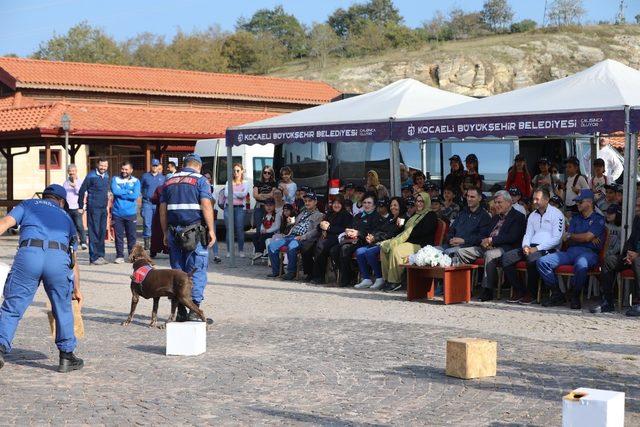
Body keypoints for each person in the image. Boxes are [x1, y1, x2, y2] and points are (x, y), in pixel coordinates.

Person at [0, 184, 83, 372]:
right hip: (59, 258)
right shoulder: (67, 218)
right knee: (62, 306)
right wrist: (77, 289)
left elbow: (4, 223)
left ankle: (0, 346)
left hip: (29, 255)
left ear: (44, 196)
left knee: (14, 304)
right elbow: (74, 259)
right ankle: (67, 356)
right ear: (61, 201)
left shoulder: (28, 204)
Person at [159, 153, 215, 322]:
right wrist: (211, 230)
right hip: (194, 233)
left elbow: (162, 210)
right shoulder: (200, 180)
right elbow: (206, 205)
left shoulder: (168, 181)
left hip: (174, 232)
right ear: (198, 166)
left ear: (184, 165)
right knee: (196, 269)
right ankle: (194, 310)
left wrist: (164, 233)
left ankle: (180, 310)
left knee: (177, 272)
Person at [537, 189, 605, 310]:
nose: (577, 204)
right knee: (542, 262)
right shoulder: (575, 218)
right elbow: (566, 238)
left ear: (589, 203)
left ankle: (575, 295)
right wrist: (584, 237)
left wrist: (577, 236)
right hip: (571, 251)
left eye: (580, 202)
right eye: (577, 202)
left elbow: (585, 237)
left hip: (589, 253)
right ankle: (557, 294)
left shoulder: (598, 219)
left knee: (581, 264)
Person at [455, 191, 526, 302]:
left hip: (505, 248)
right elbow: (485, 233)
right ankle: (463, 287)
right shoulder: (495, 217)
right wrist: (483, 241)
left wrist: (492, 240)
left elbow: (513, 237)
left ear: (509, 203)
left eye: (499, 202)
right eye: (495, 202)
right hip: (487, 246)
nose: (496, 205)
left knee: (490, 255)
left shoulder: (518, 217)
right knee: (461, 252)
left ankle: (487, 290)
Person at [502, 188, 565, 304]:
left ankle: (532, 294)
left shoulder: (557, 214)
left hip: (548, 249)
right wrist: (525, 246)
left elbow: (557, 239)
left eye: (537, 199)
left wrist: (536, 248)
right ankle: (520, 290)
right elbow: (528, 234)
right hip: (531, 247)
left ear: (546, 200)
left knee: (532, 259)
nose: (534, 201)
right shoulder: (532, 215)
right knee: (506, 258)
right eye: (533, 199)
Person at [380, 192, 437, 291]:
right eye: (417, 201)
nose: (419, 204)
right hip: (409, 242)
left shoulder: (431, 215)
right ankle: (387, 280)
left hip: (421, 245)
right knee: (384, 247)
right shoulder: (415, 215)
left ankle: (395, 281)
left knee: (396, 250)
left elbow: (425, 231)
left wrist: (408, 234)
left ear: (426, 202)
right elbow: (406, 229)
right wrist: (402, 226)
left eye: (421, 201)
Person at [592, 199, 640, 315]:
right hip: (632, 256)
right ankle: (608, 302)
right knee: (609, 261)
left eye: (639, 205)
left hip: (638, 258)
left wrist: (637, 255)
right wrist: (628, 253)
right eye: (637, 204)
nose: (636, 208)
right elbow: (631, 239)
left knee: (638, 262)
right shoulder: (637, 219)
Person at [267, 192, 323, 281]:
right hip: (290, 236)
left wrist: (303, 237)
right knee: (271, 246)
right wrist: (291, 222)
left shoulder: (319, 215)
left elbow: (316, 231)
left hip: (302, 238)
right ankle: (277, 271)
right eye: (306, 201)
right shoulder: (302, 213)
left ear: (315, 202)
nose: (307, 203)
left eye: (310, 201)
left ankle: (291, 272)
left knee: (291, 247)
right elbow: (295, 223)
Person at [331, 192, 383, 287]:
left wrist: (359, 233)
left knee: (344, 249)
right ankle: (350, 273)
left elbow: (374, 233)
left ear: (374, 205)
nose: (366, 205)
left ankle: (347, 278)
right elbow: (350, 227)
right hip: (351, 240)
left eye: (369, 203)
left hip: (364, 242)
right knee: (334, 250)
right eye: (364, 202)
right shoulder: (358, 216)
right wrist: (348, 231)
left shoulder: (376, 217)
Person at [356, 197, 406, 290]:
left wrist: (375, 238)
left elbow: (392, 234)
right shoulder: (390, 217)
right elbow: (380, 229)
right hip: (377, 241)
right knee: (360, 251)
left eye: (395, 205)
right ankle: (366, 278)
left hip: (388, 243)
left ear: (401, 206)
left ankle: (380, 278)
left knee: (369, 252)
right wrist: (372, 236)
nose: (392, 207)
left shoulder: (402, 219)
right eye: (391, 205)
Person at [310, 195, 353, 284]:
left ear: (342, 204)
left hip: (338, 238)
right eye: (334, 203)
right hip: (326, 238)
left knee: (321, 247)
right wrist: (322, 226)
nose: (336, 205)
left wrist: (328, 228)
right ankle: (315, 275)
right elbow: (320, 226)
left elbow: (345, 229)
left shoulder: (346, 215)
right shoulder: (329, 213)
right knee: (313, 246)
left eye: (338, 203)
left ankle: (319, 276)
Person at [440, 188, 492, 257]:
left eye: (472, 197)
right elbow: (451, 230)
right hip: (451, 244)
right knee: (432, 251)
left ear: (479, 198)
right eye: (467, 196)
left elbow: (482, 237)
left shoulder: (484, 216)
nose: (469, 199)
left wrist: (464, 241)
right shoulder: (462, 213)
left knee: (447, 253)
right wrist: (451, 240)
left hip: (468, 247)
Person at [78, 158, 110, 265]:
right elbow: (82, 190)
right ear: (97, 165)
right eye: (101, 165)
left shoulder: (106, 176)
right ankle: (93, 257)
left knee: (101, 232)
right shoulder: (91, 176)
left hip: (103, 208)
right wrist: (80, 206)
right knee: (94, 232)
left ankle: (101, 256)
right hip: (93, 208)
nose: (103, 168)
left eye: (105, 166)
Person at [110, 161, 141, 264]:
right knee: (118, 236)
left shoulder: (136, 181)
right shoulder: (115, 179)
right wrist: (128, 191)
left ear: (131, 170)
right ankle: (119, 256)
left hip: (131, 213)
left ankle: (132, 256)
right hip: (117, 213)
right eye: (123, 169)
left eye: (126, 169)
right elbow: (115, 191)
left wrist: (122, 193)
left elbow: (135, 195)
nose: (124, 171)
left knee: (132, 236)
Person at [219, 163, 251, 258]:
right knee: (229, 230)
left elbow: (244, 194)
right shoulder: (228, 182)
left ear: (242, 171)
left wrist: (233, 193)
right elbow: (226, 194)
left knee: (240, 230)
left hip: (239, 208)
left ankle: (241, 250)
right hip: (228, 208)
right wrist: (238, 194)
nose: (236, 172)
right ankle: (229, 251)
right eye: (234, 170)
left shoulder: (245, 183)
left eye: (238, 170)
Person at [140, 159, 166, 251]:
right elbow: (141, 188)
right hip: (147, 203)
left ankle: (157, 245)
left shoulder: (163, 178)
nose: (155, 167)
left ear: (159, 166)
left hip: (158, 204)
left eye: (156, 165)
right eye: (153, 165)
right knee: (147, 224)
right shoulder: (145, 176)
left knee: (158, 224)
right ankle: (147, 245)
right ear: (150, 166)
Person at [62, 163, 87, 250]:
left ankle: (83, 242)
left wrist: (75, 186)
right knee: (70, 226)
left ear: (76, 171)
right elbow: (64, 194)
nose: (71, 173)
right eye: (70, 171)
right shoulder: (65, 182)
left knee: (79, 225)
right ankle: (72, 242)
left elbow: (83, 193)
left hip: (77, 207)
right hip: (67, 207)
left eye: (73, 171)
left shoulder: (81, 181)